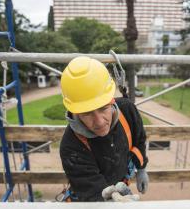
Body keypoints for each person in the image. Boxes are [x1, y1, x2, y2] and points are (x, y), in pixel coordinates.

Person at [59, 56, 149, 202]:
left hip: (121, 184)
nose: (99, 122)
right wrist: (111, 201)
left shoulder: (127, 111)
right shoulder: (71, 147)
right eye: (87, 113)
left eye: (103, 108)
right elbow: (92, 192)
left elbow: (139, 139)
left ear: (111, 99)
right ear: (75, 112)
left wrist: (142, 168)